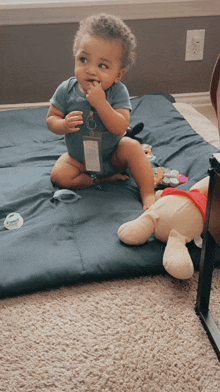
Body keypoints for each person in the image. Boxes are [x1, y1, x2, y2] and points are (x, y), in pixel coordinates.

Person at [46, 13, 155, 210]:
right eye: (84, 60)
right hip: (79, 160)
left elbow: (121, 127)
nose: (91, 70)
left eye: (102, 65)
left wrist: (101, 104)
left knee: (132, 147)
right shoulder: (66, 89)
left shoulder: (117, 92)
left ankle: (148, 194)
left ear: (118, 75)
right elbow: (51, 118)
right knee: (59, 175)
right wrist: (62, 125)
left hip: (113, 156)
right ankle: (98, 181)